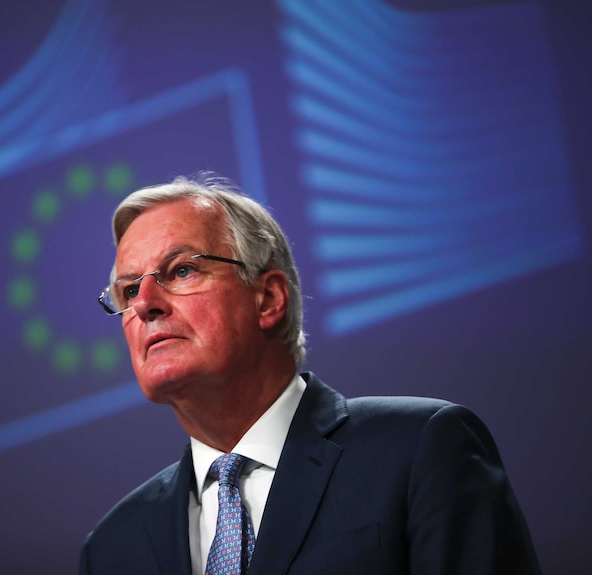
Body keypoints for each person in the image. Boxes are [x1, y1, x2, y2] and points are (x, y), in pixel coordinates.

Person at [79, 173, 540, 574]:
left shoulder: (420, 450)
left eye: (181, 270)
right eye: (129, 288)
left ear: (268, 299)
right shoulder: (113, 548)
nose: (144, 304)